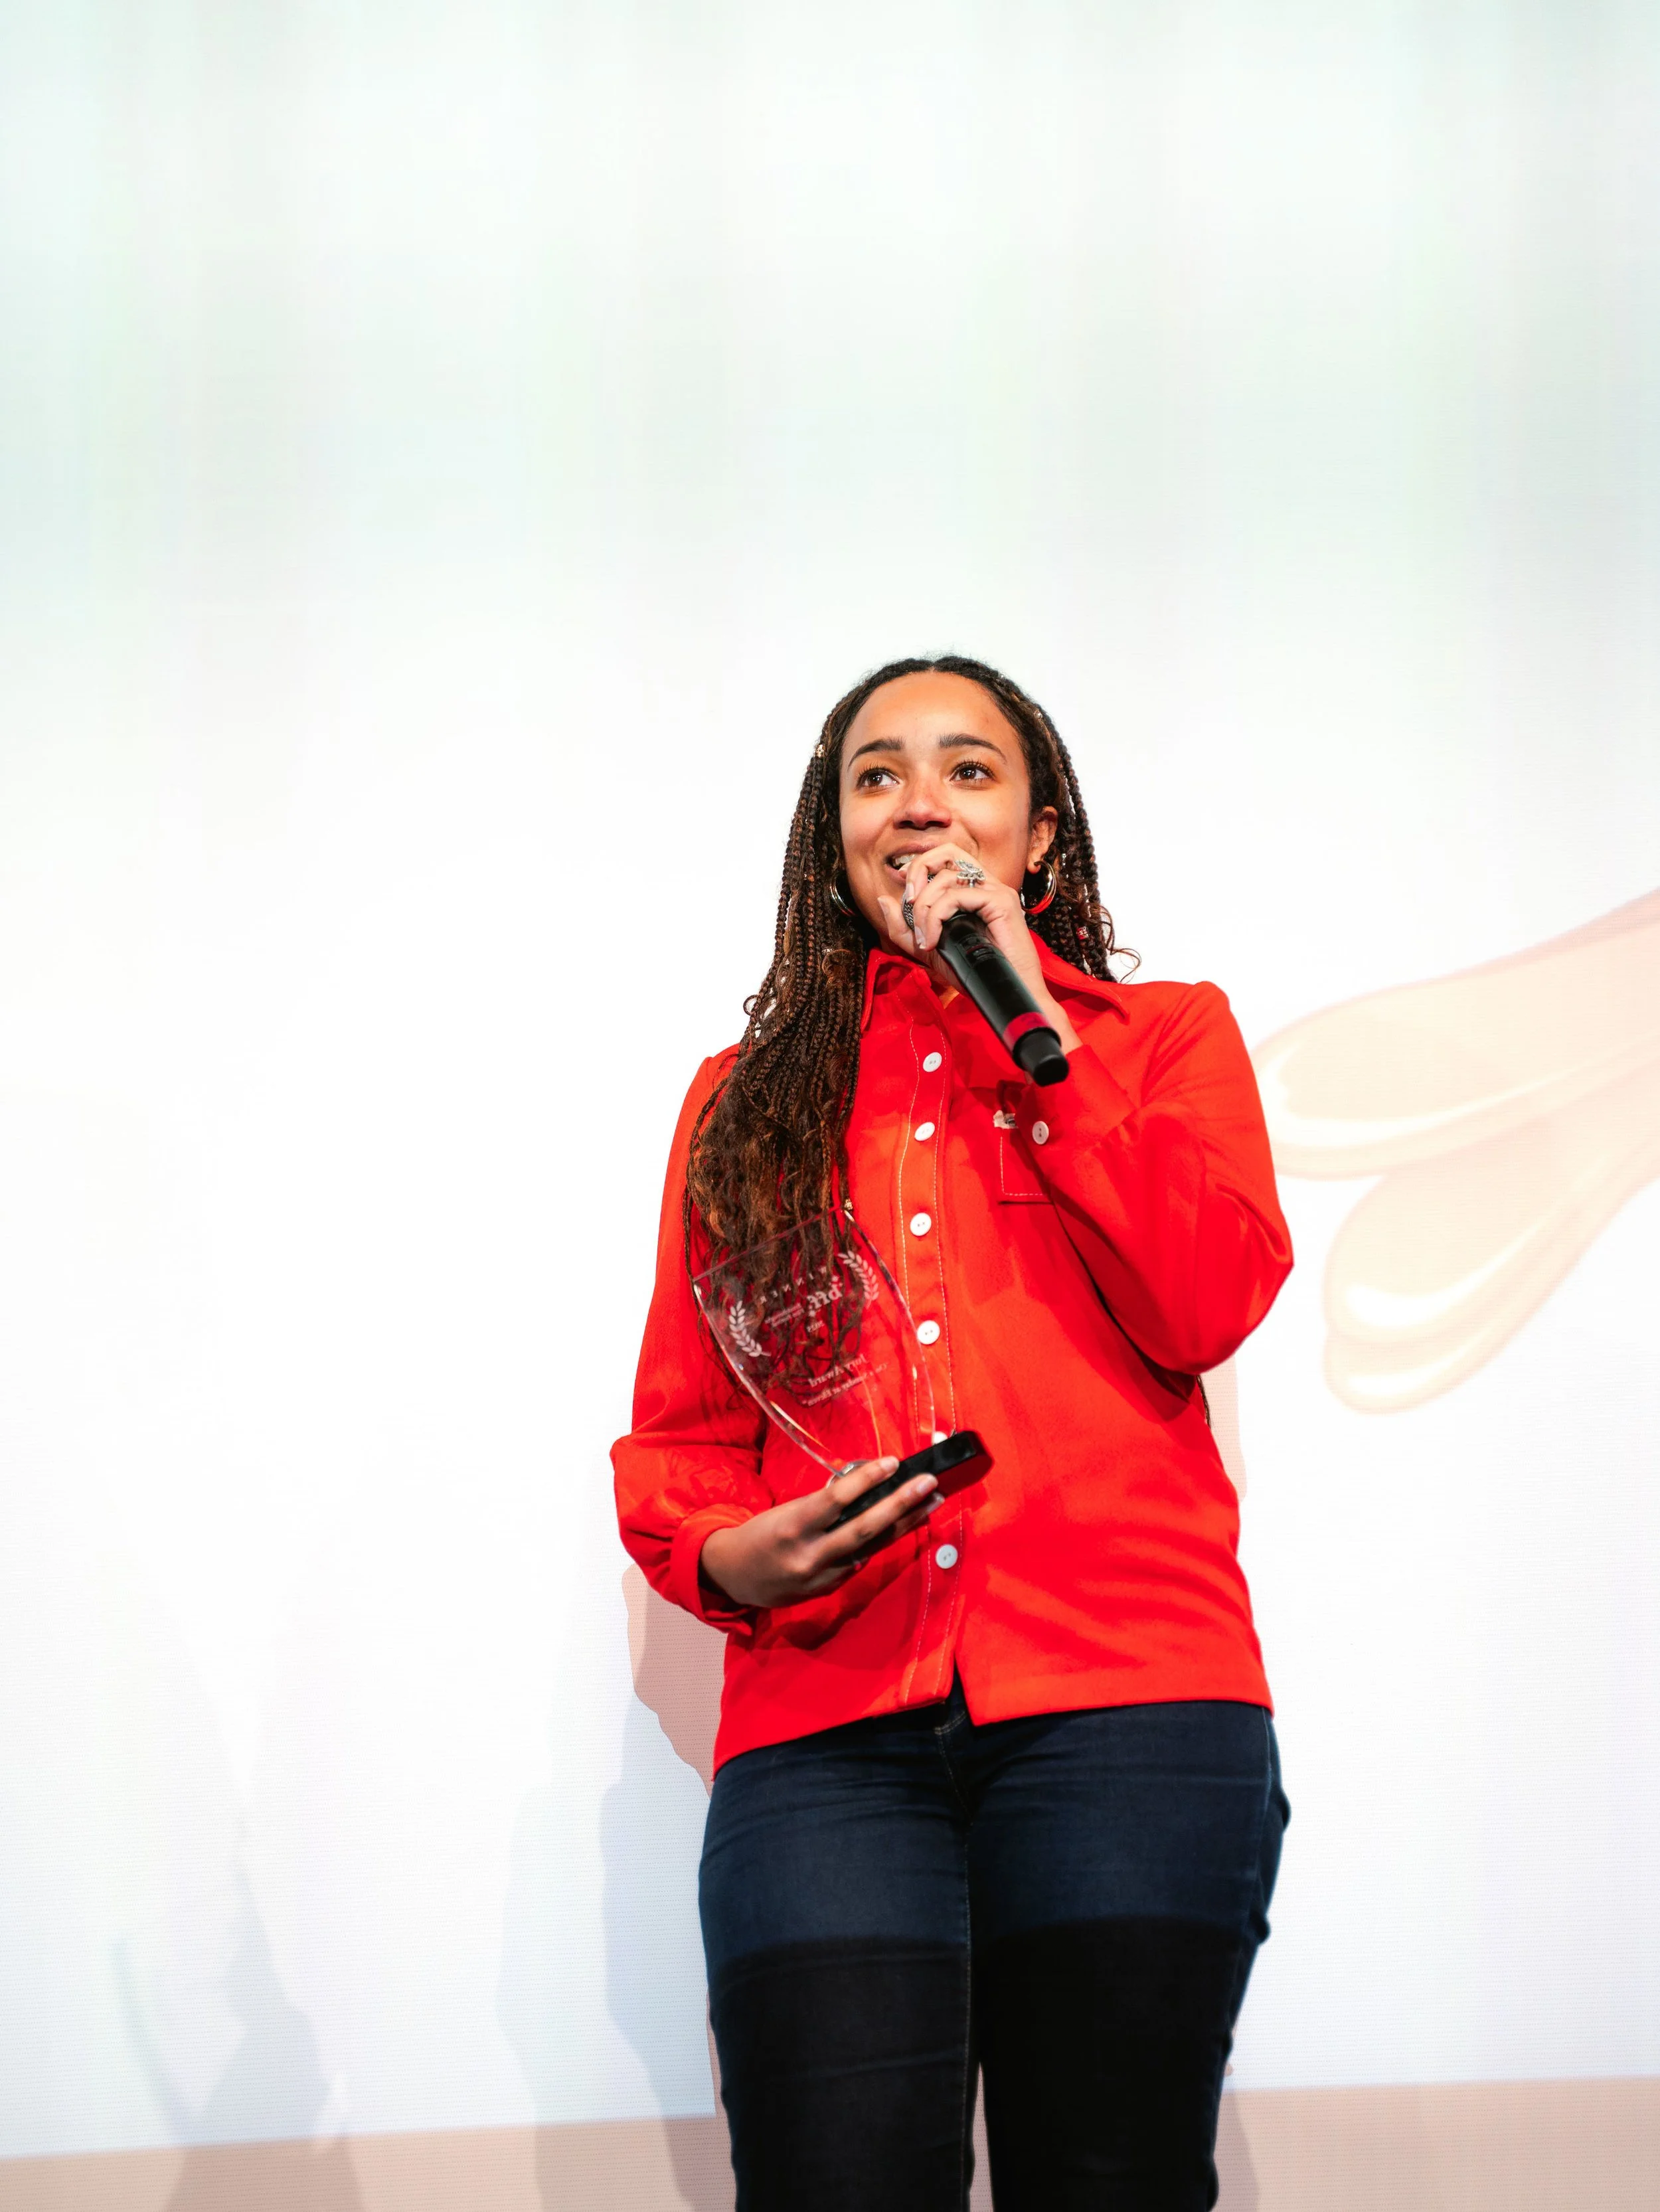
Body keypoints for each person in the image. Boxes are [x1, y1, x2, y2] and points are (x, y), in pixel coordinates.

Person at [612, 655, 1293, 2212]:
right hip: (825, 1730)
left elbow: (1204, 1298)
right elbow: (681, 1435)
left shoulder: (1160, 1038)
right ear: (833, 837)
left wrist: (1036, 1034)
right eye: (877, 775)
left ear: (1037, 836)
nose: (917, 802)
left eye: (967, 769)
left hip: (1126, 1705)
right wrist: (729, 1554)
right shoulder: (738, 1106)